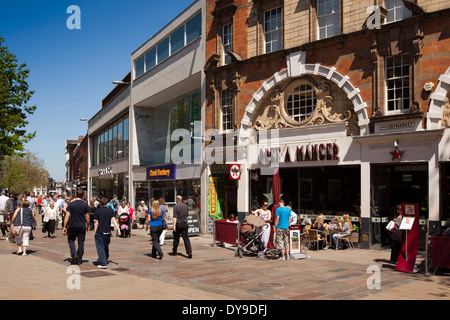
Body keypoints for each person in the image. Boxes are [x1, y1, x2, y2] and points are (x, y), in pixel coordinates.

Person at [63, 190, 90, 265]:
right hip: (81, 225)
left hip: (72, 225)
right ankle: (79, 258)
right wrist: (88, 226)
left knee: (71, 240)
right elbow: (88, 217)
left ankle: (73, 253)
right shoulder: (85, 205)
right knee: (81, 243)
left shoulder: (71, 204)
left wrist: (64, 226)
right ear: (83, 195)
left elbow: (67, 216)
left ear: (75, 195)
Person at [94, 198, 120, 268]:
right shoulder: (110, 211)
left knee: (100, 247)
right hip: (108, 231)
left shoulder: (98, 211)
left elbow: (96, 223)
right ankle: (105, 258)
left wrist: (94, 232)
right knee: (105, 245)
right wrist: (118, 229)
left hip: (100, 231)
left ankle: (103, 263)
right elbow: (114, 220)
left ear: (100, 203)